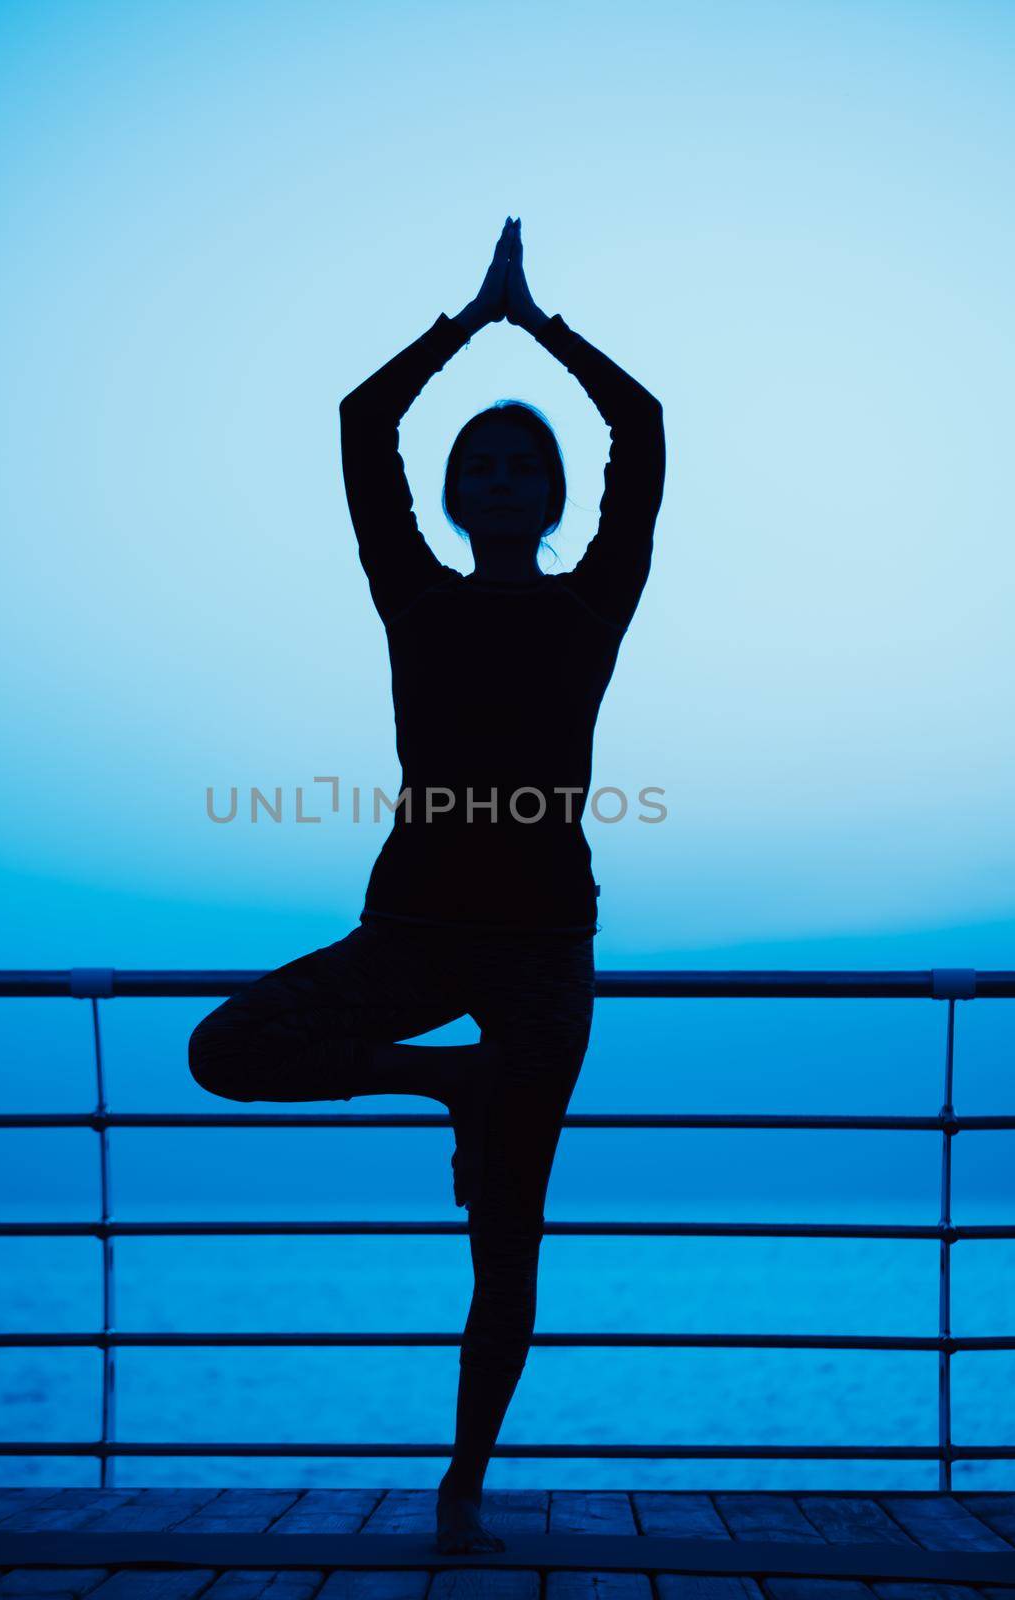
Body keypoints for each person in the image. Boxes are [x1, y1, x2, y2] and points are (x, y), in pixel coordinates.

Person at [189, 217, 666, 1554]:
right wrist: (470, 321)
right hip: (407, 931)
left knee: (508, 1241)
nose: (504, 477)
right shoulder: (413, 591)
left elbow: (642, 429)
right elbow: (361, 424)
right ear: (454, 497)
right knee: (222, 1048)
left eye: (526, 465)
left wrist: (541, 327)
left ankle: (462, 1488)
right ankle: (445, 1085)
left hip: (540, 953)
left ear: (554, 495)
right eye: (481, 464)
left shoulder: (593, 602)